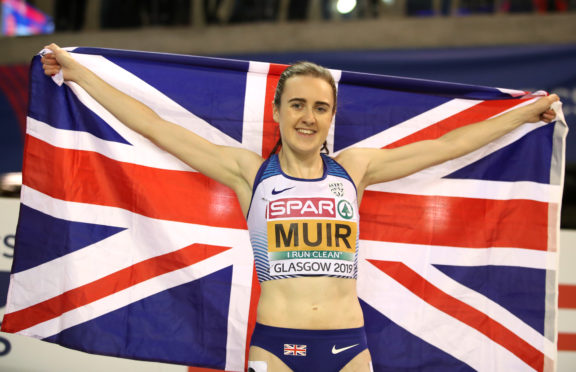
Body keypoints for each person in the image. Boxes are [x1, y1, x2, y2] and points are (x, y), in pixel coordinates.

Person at [41, 44, 558, 372]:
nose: (308, 118)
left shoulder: (354, 170)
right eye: (298, 104)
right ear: (278, 110)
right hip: (275, 347)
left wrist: (524, 114)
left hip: (349, 347)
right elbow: (157, 128)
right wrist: (80, 75)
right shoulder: (249, 173)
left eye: (320, 107)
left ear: (332, 116)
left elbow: (449, 145)